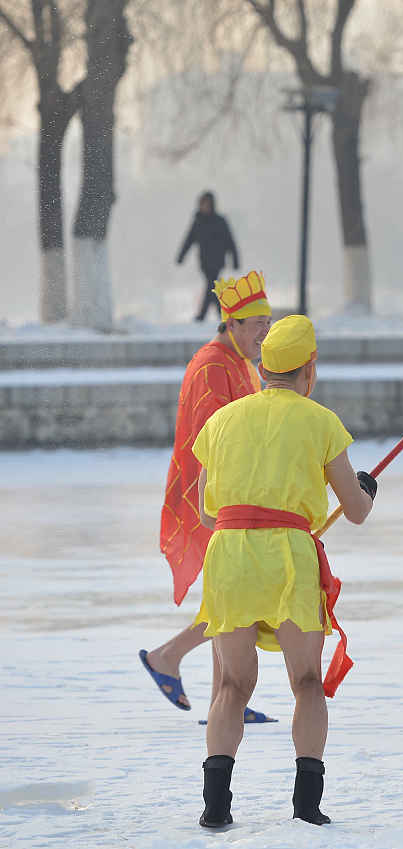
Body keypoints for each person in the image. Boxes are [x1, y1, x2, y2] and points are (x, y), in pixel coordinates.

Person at [192, 314, 377, 828]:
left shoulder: (222, 422)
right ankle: (306, 806)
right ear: (309, 370)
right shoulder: (319, 420)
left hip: (229, 555)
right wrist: (365, 489)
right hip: (288, 559)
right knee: (306, 682)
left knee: (231, 684)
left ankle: (215, 807)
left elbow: (208, 513)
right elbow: (356, 511)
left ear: (263, 367)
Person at [141, 271, 274, 723]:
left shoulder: (235, 361)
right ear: (231, 324)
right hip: (210, 495)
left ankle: (225, 697)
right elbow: (215, 439)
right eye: (255, 323)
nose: (264, 332)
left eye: (267, 322)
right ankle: (169, 658)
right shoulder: (214, 365)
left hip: (227, 492)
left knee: (233, 597)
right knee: (236, 599)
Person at [177, 190, 240, 322]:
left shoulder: (220, 221)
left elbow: (230, 241)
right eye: (203, 203)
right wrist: (181, 256)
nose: (205, 206)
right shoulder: (198, 222)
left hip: (217, 261)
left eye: (207, 204)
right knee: (212, 285)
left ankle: (204, 315)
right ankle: (219, 313)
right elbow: (189, 240)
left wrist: (235, 260)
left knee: (211, 285)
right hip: (204, 262)